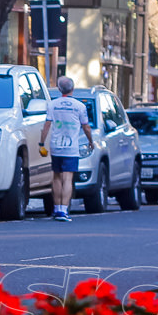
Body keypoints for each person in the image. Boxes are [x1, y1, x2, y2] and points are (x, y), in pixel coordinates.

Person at [39, 76, 94, 221]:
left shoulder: (52, 104)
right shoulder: (79, 106)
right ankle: (64, 209)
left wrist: (41, 142)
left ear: (59, 89)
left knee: (56, 176)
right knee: (67, 178)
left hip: (56, 145)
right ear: (73, 88)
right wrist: (91, 141)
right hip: (71, 146)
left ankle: (57, 209)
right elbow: (86, 127)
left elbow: (47, 125)